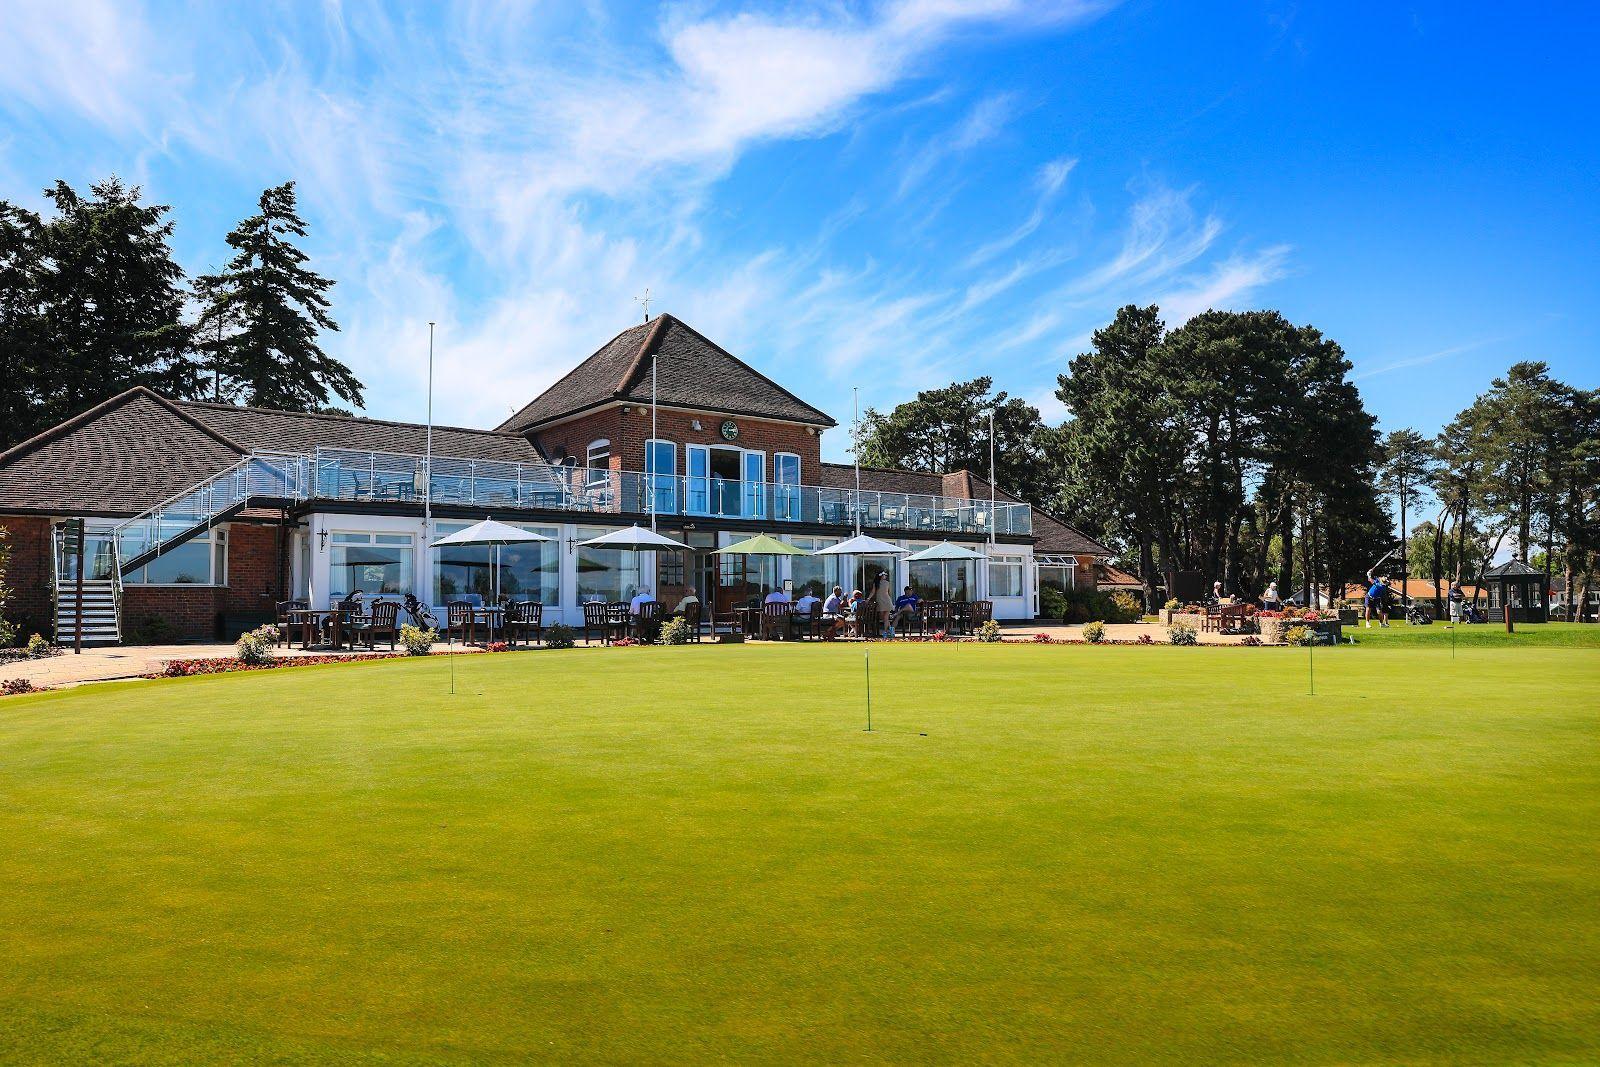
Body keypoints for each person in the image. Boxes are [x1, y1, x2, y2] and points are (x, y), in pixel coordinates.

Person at [871, 572, 894, 639]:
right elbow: (873, 592)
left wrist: (868, 598)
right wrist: (868, 598)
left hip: (885, 601)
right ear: (881, 576)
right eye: (884, 575)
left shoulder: (886, 583)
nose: (885, 576)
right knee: (884, 618)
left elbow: (889, 592)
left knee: (885, 618)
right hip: (882, 601)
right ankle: (890, 631)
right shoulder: (877, 583)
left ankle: (886, 633)